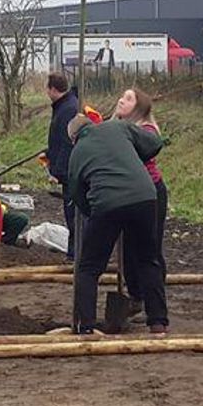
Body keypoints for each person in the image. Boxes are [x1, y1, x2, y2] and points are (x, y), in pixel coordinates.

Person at [67, 115, 166, 334]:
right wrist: (132, 157)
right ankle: (158, 322)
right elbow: (155, 143)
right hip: (145, 197)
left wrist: (91, 211)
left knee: (88, 268)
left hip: (106, 204)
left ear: (74, 138)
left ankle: (86, 326)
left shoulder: (78, 152)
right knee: (148, 260)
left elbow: (75, 191)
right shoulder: (119, 128)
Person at [112, 88, 168, 310]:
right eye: (122, 97)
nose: (121, 101)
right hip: (124, 193)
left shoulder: (147, 130)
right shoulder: (117, 127)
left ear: (139, 106)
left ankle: (154, 298)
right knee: (126, 247)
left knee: (149, 247)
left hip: (150, 192)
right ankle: (135, 294)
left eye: (128, 99)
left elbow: (139, 151)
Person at [44, 73, 79, 259]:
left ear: (52, 89)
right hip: (67, 169)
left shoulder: (67, 109)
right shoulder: (64, 106)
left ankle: (75, 255)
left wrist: (57, 172)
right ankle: (74, 253)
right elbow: (58, 140)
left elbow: (67, 143)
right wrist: (49, 154)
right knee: (70, 212)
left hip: (71, 172)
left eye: (47, 89)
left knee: (73, 213)